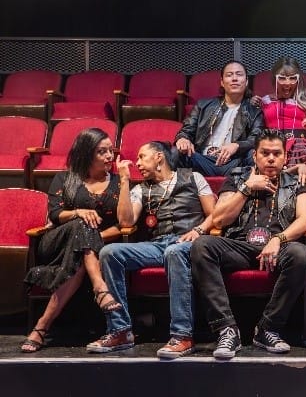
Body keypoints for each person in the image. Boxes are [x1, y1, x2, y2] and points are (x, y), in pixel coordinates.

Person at [191, 129, 306, 359]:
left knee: (301, 254)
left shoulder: (296, 183)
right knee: (202, 246)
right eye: (265, 153)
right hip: (239, 247)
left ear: (285, 157)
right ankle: (226, 329)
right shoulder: (237, 178)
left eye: (276, 153)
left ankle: (268, 328)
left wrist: (278, 239)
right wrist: (246, 188)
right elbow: (219, 219)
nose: (271, 158)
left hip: (278, 248)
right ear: (255, 156)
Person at [86, 141, 215, 358]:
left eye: (142, 157)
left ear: (159, 157)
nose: (137, 163)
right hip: (158, 244)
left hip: (189, 243)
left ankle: (182, 335)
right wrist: (124, 182)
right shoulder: (141, 189)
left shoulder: (194, 177)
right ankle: (120, 330)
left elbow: (215, 214)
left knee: (174, 252)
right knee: (110, 252)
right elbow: (126, 221)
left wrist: (199, 230)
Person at [21, 128, 121, 352]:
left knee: (81, 248)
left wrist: (92, 237)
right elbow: (55, 213)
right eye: (101, 151)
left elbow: (121, 225)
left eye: (110, 151)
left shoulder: (118, 182)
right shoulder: (65, 178)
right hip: (57, 242)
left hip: (93, 246)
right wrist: (78, 212)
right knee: (81, 224)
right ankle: (99, 286)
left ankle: (41, 327)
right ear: (86, 153)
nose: (109, 156)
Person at [175, 60, 265, 176]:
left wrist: (237, 145)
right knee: (176, 152)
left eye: (239, 74)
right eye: (229, 75)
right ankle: (184, 187)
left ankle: (245, 185)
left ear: (246, 81)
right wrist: (183, 139)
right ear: (222, 82)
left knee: (254, 155)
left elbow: (257, 138)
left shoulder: (254, 112)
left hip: (234, 163)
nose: (234, 79)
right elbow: (187, 130)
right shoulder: (203, 105)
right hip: (202, 160)